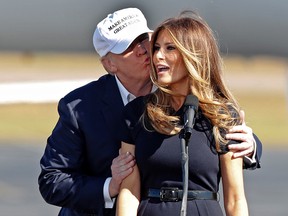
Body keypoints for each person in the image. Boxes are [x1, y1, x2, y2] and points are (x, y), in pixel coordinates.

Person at [38, 8, 261, 216]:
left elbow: (217, 136)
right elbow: (52, 180)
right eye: (129, 46)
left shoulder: (177, 87)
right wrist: (110, 185)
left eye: (145, 39)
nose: (144, 50)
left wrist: (250, 146)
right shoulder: (80, 107)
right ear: (110, 64)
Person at [116, 11, 261, 216]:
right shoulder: (137, 113)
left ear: (193, 55)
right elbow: (129, 192)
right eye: (156, 48)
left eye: (170, 48)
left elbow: (235, 199)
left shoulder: (223, 116)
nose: (157, 56)